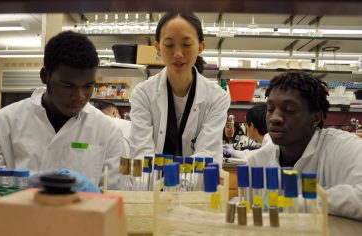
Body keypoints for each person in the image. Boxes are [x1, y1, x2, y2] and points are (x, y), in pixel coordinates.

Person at [0, 31, 125, 191]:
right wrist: (21, 190)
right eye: (68, 85)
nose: (79, 96)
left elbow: (116, 193)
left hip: (83, 215)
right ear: (45, 76)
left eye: (88, 86)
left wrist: (95, 195)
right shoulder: (4, 121)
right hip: (21, 215)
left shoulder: (108, 130)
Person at [247, 71, 362, 220]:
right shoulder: (257, 162)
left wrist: (297, 203)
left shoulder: (344, 148)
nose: (275, 118)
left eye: (289, 110)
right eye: (270, 109)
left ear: (315, 118)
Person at [129, 13, 230, 160]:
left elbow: (208, 155)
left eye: (186, 44)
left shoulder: (217, 97)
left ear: (201, 47)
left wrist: (184, 182)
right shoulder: (143, 94)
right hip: (151, 181)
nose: (177, 54)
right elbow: (141, 153)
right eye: (169, 45)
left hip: (195, 182)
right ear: (157, 47)